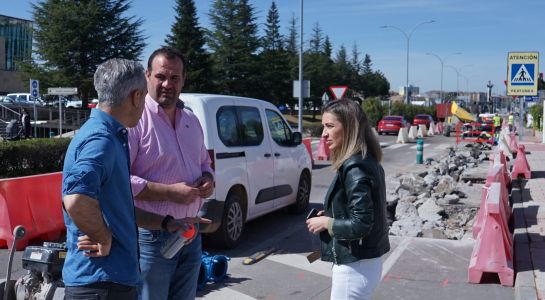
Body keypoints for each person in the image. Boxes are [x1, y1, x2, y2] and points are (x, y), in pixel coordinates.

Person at [62, 58, 208, 300]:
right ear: (137, 96)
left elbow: (119, 205)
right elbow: (77, 200)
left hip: (109, 282)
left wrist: (165, 223)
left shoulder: (111, 135)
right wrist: (103, 236)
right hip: (102, 284)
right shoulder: (101, 140)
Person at [128, 47, 215, 300]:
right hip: (153, 237)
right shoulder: (135, 119)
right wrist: (171, 193)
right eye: (161, 76)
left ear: (183, 80)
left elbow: (205, 165)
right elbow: (121, 180)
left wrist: (208, 180)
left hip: (191, 232)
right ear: (147, 76)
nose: (168, 84)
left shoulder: (191, 119)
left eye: (175, 78)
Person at [306, 99, 390, 300]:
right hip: (362, 262)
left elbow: (361, 223)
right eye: (323, 126)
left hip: (355, 266)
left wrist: (327, 222)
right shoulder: (365, 159)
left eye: (330, 126)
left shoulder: (355, 167)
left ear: (350, 128)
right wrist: (331, 216)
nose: (323, 134)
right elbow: (359, 210)